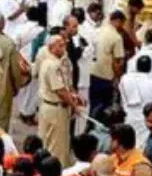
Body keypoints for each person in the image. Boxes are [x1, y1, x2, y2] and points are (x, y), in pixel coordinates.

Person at [38, 34, 81, 167]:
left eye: (64, 44)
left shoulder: (56, 62)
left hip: (50, 107)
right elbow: (61, 91)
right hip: (55, 109)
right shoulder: (52, 65)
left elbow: (66, 86)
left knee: (51, 141)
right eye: (60, 46)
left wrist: (74, 95)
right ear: (52, 48)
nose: (64, 48)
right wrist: (74, 106)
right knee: (57, 146)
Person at [119, 56, 152, 149]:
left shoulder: (125, 79)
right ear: (150, 68)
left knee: (129, 144)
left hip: (129, 116)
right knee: (143, 146)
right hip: (146, 119)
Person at [91, 11, 127, 118]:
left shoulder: (98, 31)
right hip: (106, 77)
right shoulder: (116, 37)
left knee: (94, 105)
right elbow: (118, 61)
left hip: (93, 72)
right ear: (118, 21)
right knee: (105, 108)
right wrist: (117, 78)